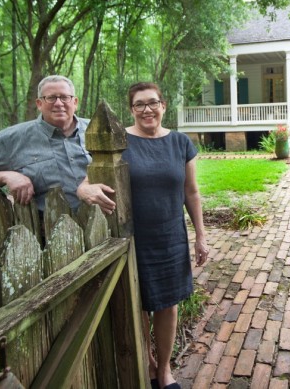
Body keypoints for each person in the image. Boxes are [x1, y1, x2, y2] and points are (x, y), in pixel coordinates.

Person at [77, 81, 208, 389]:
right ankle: (146, 362)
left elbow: (191, 191)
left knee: (168, 305)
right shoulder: (120, 141)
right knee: (138, 305)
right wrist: (85, 190)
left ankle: (163, 371)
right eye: (139, 104)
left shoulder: (180, 143)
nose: (147, 109)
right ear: (132, 110)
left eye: (153, 103)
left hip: (170, 237)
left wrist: (200, 236)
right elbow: (86, 182)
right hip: (133, 239)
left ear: (163, 106)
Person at [0, 75, 114, 214]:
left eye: (64, 97)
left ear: (74, 102)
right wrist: (8, 176)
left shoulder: (100, 130)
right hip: (45, 231)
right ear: (39, 103)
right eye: (50, 98)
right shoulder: (12, 138)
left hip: (104, 225)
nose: (58, 103)